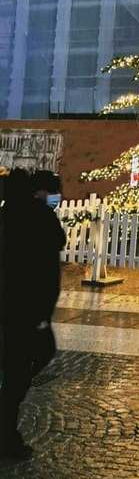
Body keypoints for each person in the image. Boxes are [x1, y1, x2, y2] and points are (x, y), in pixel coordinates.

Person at [0, 168, 66, 460]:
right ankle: (6, 435)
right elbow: (38, 271)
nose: (56, 198)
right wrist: (39, 313)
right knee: (22, 367)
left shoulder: (12, 215)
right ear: (38, 192)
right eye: (53, 192)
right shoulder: (38, 218)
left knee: (17, 367)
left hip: (17, 309)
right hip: (25, 311)